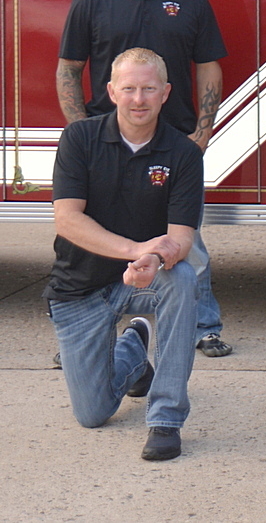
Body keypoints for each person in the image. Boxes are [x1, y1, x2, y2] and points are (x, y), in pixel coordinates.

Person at [56, 0, 232, 358]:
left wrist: (202, 132)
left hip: (173, 139)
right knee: (99, 240)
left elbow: (209, 66)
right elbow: (69, 70)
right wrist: (83, 134)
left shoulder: (190, 0)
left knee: (187, 239)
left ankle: (203, 325)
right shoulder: (91, 0)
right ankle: (86, 331)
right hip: (106, 143)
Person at [46, 48, 203, 461]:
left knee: (183, 279)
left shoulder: (183, 154)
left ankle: (166, 418)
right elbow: (67, 220)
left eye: (148, 89)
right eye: (129, 88)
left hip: (144, 282)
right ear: (112, 91)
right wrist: (137, 250)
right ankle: (133, 349)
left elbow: (182, 237)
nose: (139, 99)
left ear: (165, 93)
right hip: (79, 287)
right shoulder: (79, 139)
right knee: (93, 414)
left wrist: (157, 258)